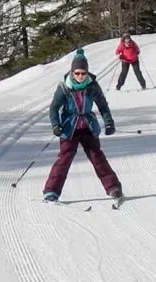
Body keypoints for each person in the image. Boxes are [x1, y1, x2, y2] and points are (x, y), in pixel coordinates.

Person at [43, 49, 123, 203]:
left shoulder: (92, 86)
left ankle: (113, 187)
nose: (80, 76)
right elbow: (54, 108)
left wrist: (109, 123)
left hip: (88, 126)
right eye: (77, 73)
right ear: (72, 72)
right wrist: (56, 125)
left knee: (97, 157)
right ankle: (51, 191)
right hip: (69, 127)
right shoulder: (64, 87)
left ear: (87, 72)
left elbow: (103, 105)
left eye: (83, 73)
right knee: (64, 159)